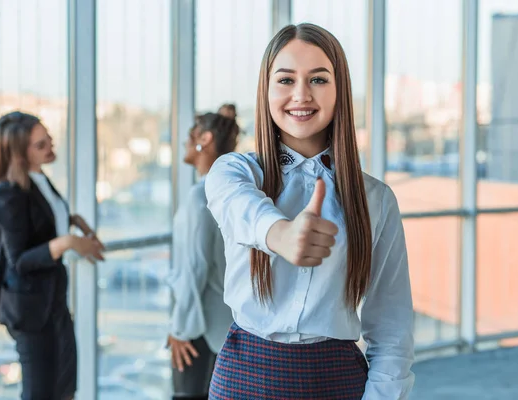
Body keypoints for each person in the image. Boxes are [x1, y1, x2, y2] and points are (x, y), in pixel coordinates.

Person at [204, 23, 415, 399]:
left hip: (337, 380)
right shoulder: (235, 172)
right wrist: (279, 234)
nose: (301, 95)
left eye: (318, 79)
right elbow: (238, 207)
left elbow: (392, 328)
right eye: (285, 80)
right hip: (243, 378)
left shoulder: (376, 199)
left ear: (339, 91)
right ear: (266, 91)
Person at [0, 111, 105, 400]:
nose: (51, 146)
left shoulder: (38, 180)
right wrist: (67, 242)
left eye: (48, 137)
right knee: (40, 393)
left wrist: (75, 221)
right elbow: (21, 261)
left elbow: (43, 222)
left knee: (65, 388)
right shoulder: (7, 194)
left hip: (54, 302)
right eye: (41, 145)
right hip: (30, 310)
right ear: (19, 154)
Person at [166, 112, 239, 400]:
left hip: (201, 329)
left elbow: (194, 267)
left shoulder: (201, 196)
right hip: (227, 324)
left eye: (190, 136)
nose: (185, 143)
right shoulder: (233, 191)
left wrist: (179, 329)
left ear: (205, 140)